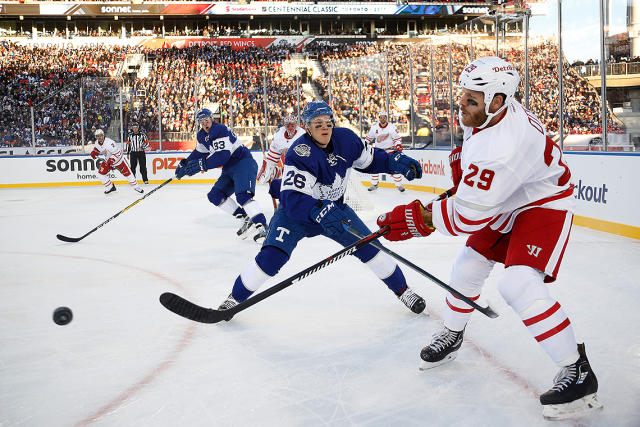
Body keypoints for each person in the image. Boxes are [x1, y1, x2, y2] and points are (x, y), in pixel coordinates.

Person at [375, 57, 601, 420]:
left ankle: (578, 371)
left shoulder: (504, 146)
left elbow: (468, 215)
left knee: (517, 284)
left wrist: (421, 218)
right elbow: (475, 188)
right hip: (509, 194)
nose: (461, 104)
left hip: (542, 203)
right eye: (462, 94)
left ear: (497, 101)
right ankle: (452, 333)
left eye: (471, 99)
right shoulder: (492, 111)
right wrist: (465, 179)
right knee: (468, 265)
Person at [217, 101, 427, 316]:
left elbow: (371, 160)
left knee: (371, 248)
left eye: (328, 122)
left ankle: (404, 292)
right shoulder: (299, 152)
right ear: (307, 127)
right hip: (296, 215)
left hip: (335, 212)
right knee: (272, 257)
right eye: (318, 124)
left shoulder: (346, 139)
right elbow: (291, 198)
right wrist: (317, 209)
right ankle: (235, 299)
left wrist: (394, 162)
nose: (325, 127)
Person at [175, 108, 268, 243]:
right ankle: (245, 218)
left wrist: (201, 165)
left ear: (211, 119)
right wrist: (185, 164)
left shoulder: (220, 129)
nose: (205, 124)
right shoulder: (202, 135)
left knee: (243, 196)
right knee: (215, 195)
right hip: (229, 168)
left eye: (207, 120)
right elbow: (199, 153)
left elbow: (222, 156)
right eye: (202, 121)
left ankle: (263, 226)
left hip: (243, 162)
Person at [90, 129, 144, 195]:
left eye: (100, 136)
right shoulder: (96, 143)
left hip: (119, 161)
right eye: (97, 136)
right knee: (101, 174)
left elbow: (118, 153)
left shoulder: (109, 143)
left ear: (103, 135)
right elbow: (97, 149)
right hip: (108, 161)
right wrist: (94, 153)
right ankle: (111, 187)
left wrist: (112, 160)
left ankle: (136, 187)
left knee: (128, 174)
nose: (99, 137)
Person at [257, 114, 305, 185]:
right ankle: (262, 180)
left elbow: (305, 155)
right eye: (287, 126)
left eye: (292, 125)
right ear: (284, 125)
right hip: (281, 152)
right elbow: (272, 158)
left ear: (296, 125)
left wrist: (292, 151)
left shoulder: (302, 134)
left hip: (298, 159)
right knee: (269, 164)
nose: (290, 128)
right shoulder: (279, 134)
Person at [365, 111, 405, 192]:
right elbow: (369, 138)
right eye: (381, 117)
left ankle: (399, 185)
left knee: (394, 168)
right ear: (379, 118)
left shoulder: (392, 127)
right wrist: (364, 144)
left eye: (384, 117)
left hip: (390, 151)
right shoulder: (374, 127)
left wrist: (398, 145)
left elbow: (397, 139)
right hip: (378, 151)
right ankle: (374, 184)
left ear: (386, 118)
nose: (383, 119)